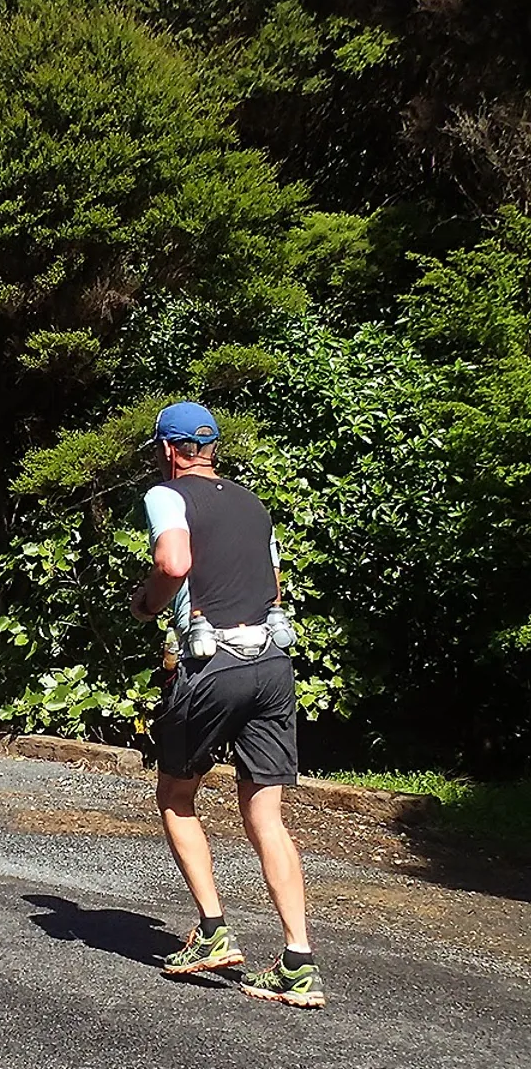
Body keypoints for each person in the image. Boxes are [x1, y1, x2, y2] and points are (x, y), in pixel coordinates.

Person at [131, 402, 323, 1008]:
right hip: (271, 664)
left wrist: (147, 603)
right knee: (267, 816)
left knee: (175, 794)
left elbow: (174, 562)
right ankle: (298, 962)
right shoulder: (252, 502)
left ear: (167, 449)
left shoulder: (168, 495)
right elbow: (272, 586)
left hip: (213, 665)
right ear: (212, 447)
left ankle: (213, 933)